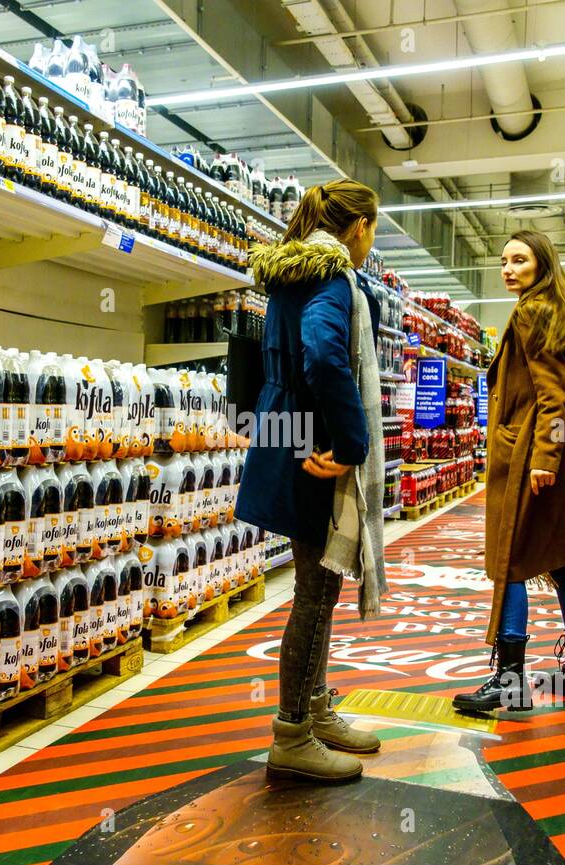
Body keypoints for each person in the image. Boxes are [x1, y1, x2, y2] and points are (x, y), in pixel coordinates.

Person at [236, 179, 385, 784]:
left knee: (316, 587)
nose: (371, 242)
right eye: (373, 229)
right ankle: (292, 732)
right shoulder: (329, 277)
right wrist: (352, 443)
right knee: (315, 592)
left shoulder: (293, 274)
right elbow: (323, 355)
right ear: (357, 228)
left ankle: (314, 708)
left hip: (288, 437)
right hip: (313, 449)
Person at [453, 229, 565, 715]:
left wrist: (544, 458)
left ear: (542, 264)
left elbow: (552, 396)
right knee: (560, 560)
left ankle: (509, 683)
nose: (508, 269)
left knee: (510, 561)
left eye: (520, 260)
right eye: (504, 261)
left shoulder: (533, 311)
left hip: (535, 452)